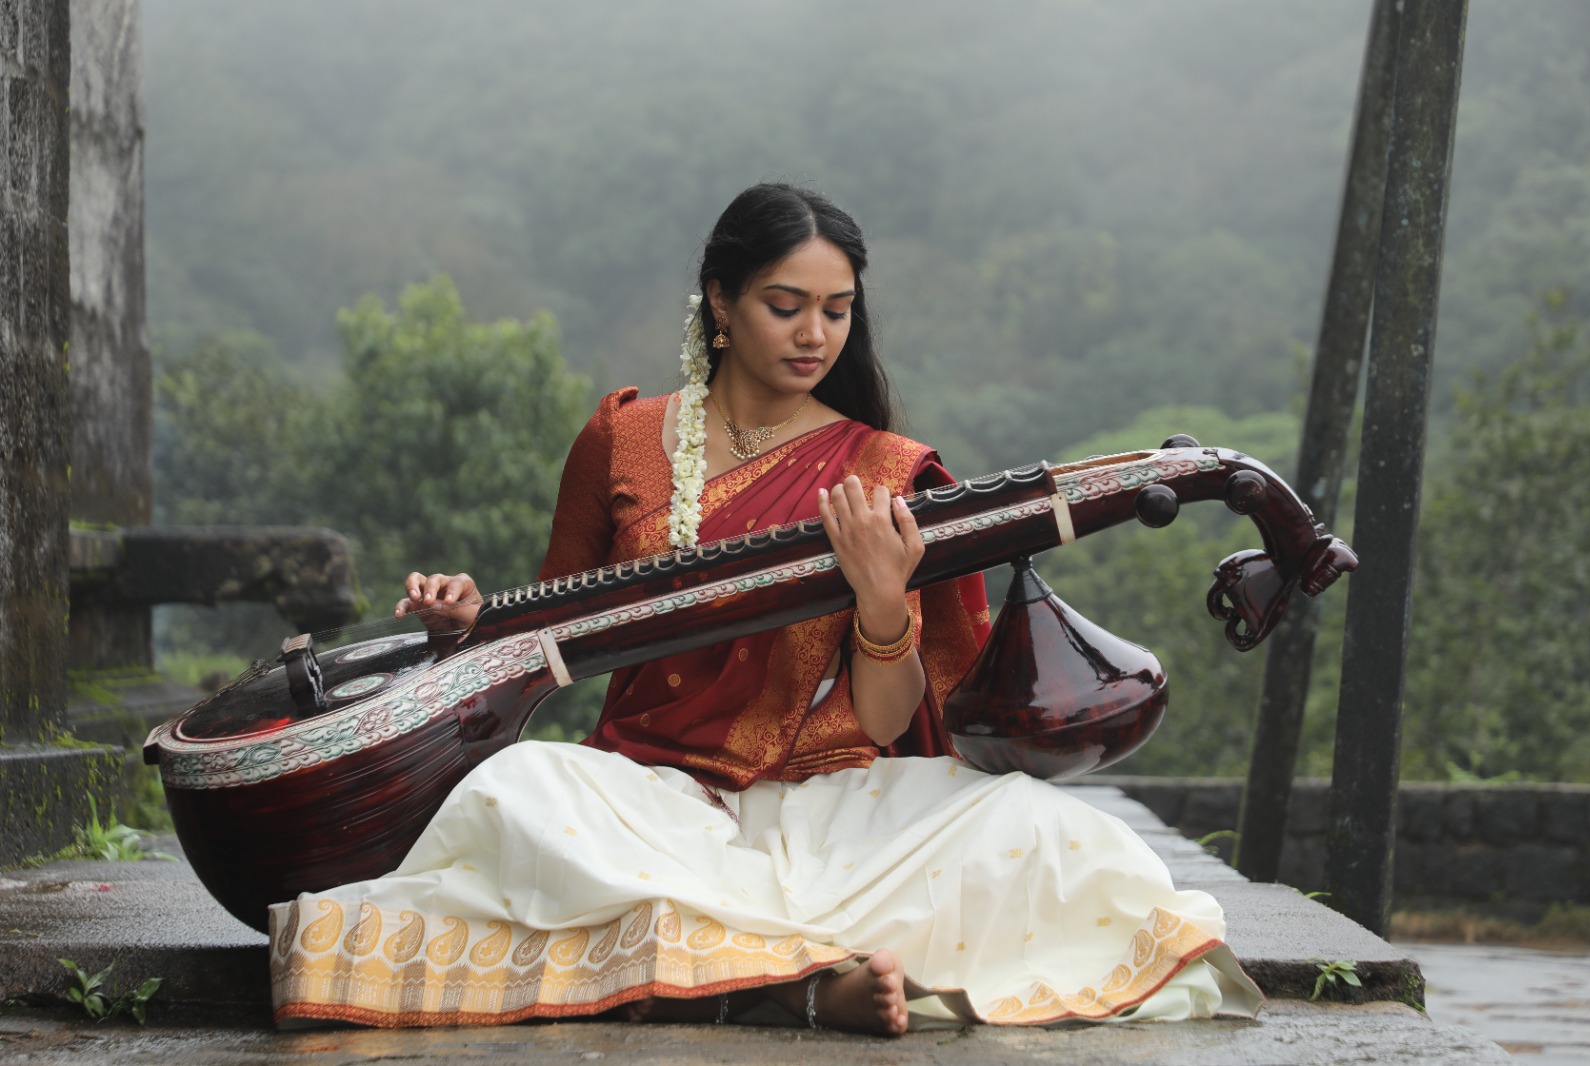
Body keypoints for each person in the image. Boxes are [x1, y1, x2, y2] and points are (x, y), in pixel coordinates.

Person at [267, 183, 1263, 1034]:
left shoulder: (880, 473)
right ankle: (794, 977)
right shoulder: (622, 440)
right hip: (648, 800)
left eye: (835, 310)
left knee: (1047, 833)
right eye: (786, 305)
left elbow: (886, 721)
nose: (814, 334)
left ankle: (744, 967)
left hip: (830, 810)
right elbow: (544, 627)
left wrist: (882, 603)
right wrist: (467, 622)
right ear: (720, 300)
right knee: (518, 792)